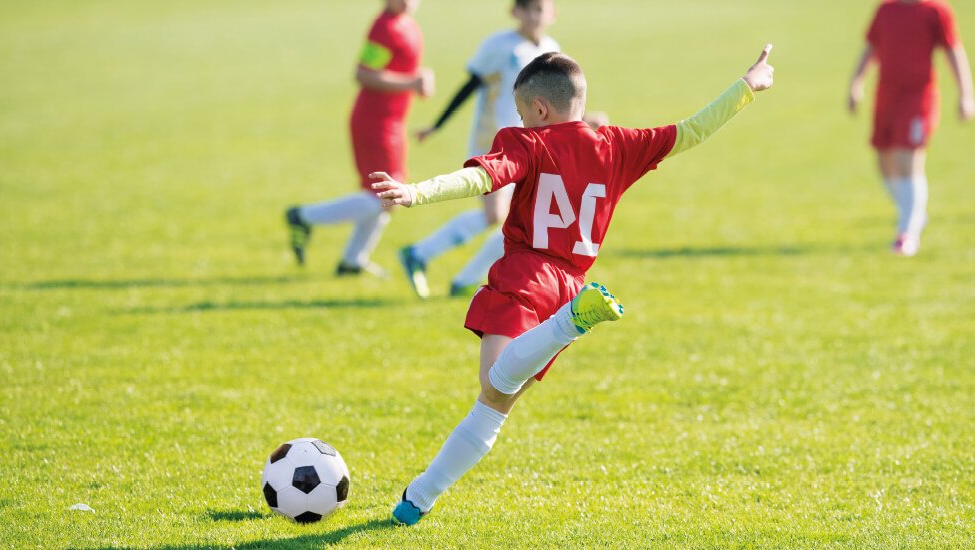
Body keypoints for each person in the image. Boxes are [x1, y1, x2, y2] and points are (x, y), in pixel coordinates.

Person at [372, 47, 775, 524]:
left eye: (523, 113)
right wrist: (747, 86)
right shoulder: (619, 144)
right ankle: (417, 499)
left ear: (539, 109)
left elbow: (482, 177)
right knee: (495, 404)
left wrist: (416, 192)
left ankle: (570, 324)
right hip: (567, 283)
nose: (521, 122)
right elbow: (692, 130)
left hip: (526, 275)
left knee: (493, 383)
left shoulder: (528, 142)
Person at [398, 0, 608, 298]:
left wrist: (584, 121)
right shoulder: (499, 46)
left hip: (536, 145)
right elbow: (469, 86)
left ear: (552, 13)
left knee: (517, 218)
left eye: (540, 9)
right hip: (497, 141)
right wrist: (437, 125)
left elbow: (555, 104)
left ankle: (451, 271)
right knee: (498, 215)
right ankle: (427, 258)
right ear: (515, 12)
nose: (535, 16)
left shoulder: (551, 47)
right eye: (529, 9)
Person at [285, 0, 434, 275]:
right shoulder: (385, 27)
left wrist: (418, 80)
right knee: (386, 196)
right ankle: (303, 216)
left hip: (393, 122)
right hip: (374, 122)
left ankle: (352, 261)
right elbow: (363, 73)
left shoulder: (408, 24)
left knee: (387, 197)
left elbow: (398, 69)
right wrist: (412, 83)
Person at [848, 0, 973, 257]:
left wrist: (966, 94)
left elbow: (953, 50)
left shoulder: (935, 10)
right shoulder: (886, 9)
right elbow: (871, 47)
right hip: (886, 96)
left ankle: (907, 233)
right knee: (884, 162)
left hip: (918, 97)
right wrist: (856, 83)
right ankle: (913, 213)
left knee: (908, 159)